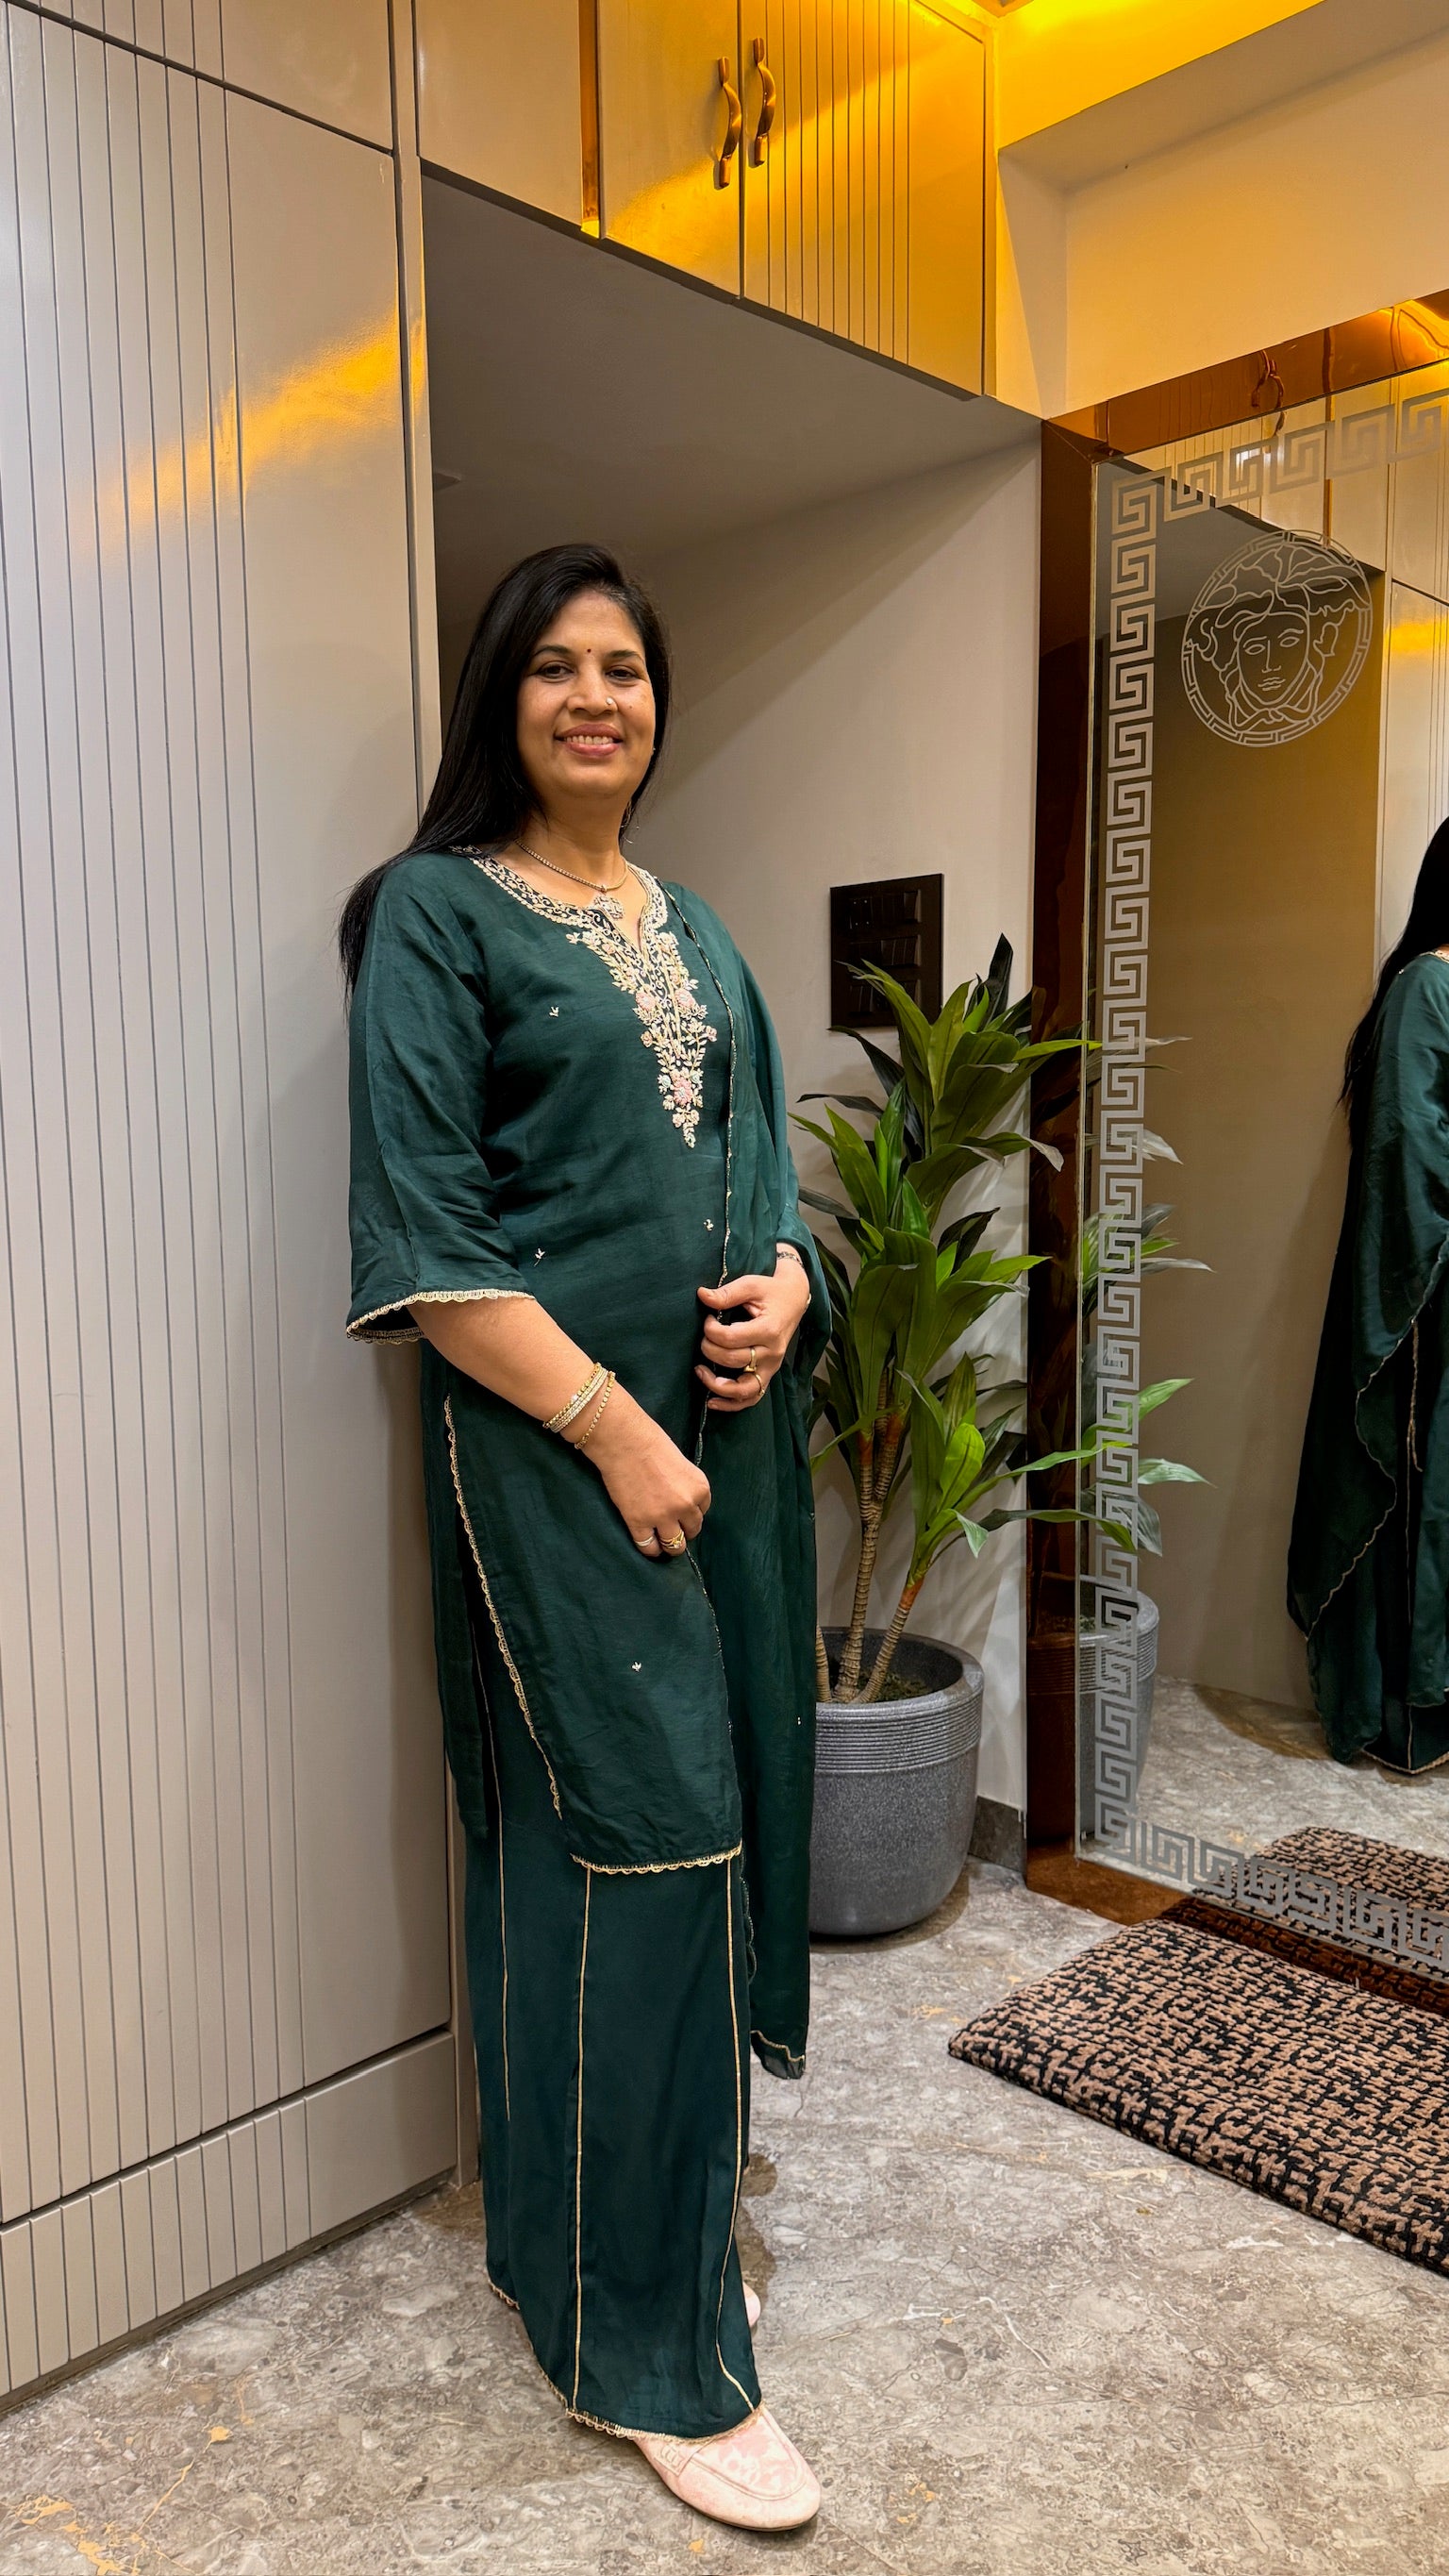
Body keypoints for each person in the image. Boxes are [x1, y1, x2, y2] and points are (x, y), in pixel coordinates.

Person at [340, 544, 827, 2531]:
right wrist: (618, 1428)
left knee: (672, 1825)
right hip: (560, 1454)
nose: (596, 696)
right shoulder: (434, 919)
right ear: (501, 699)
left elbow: (760, 1174)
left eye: (625, 666)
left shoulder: (696, 929)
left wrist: (792, 1281)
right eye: (554, 667)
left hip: (724, 1458)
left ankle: (578, 2225)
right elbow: (426, 1248)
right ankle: (649, 2346)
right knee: (640, 1838)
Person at [1289, 818, 1449, 1773]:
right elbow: (1409, 1154)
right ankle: (1403, 1705)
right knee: (1421, 1497)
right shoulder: (1429, 986)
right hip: (1427, 1307)